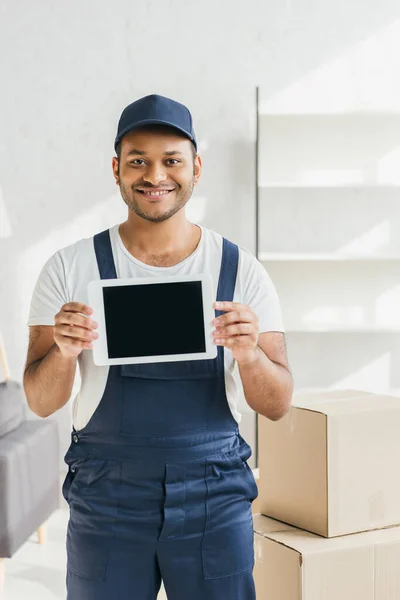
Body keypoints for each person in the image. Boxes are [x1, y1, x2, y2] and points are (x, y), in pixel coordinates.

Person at [23, 94, 293, 600]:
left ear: (196, 166)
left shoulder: (241, 271)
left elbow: (277, 405)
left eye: (171, 160)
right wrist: (62, 351)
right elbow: (40, 402)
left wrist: (251, 354)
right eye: (138, 161)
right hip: (107, 498)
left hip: (215, 494)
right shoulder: (68, 268)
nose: (155, 175)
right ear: (116, 169)